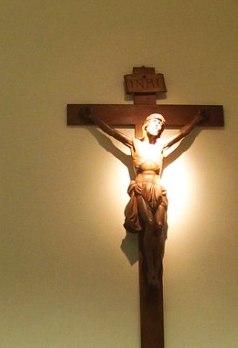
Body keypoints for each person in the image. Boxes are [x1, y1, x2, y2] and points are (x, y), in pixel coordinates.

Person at [81, 108, 205, 290]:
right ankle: (151, 269)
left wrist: (197, 119)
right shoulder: (134, 144)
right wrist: (92, 118)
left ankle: (156, 265)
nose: (159, 126)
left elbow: (181, 134)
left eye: (161, 124)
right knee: (148, 223)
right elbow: (112, 133)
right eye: (155, 122)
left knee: (159, 226)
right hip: (141, 189)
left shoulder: (161, 146)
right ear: (146, 125)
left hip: (158, 188)